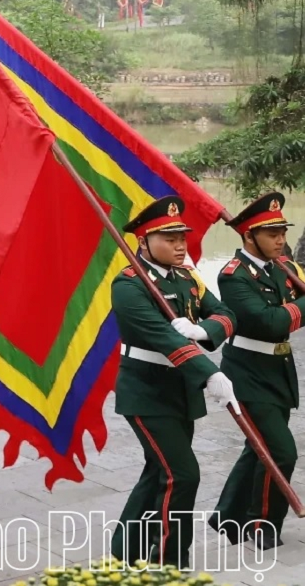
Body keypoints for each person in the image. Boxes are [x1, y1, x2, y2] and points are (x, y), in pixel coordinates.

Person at [109, 195, 239, 568]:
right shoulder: (129, 286)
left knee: (158, 471)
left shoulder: (187, 279)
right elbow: (164, 340)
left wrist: (202, 329)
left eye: (182, 237)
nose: (181, 245)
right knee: (182, 475)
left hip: (180, 391)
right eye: (170, 239)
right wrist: (211, 373)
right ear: (143, 241)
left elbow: (225, 314)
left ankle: (125, 549)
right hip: (147, 392)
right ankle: (170, 560)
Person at [211, 192, 305, 550]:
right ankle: (262, 523)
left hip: (279, 369)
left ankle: (227, 515)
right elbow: (268, 322)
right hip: (247, 373)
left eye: (282, 231)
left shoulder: (282, 267)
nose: (281, 240)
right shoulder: (233, 276)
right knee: (281, 451)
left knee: (259, 446)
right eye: (272, 233)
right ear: (249, 236)